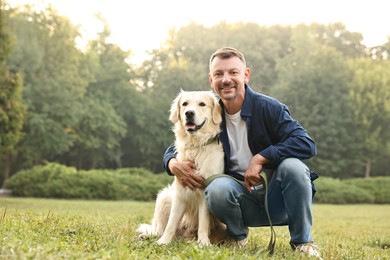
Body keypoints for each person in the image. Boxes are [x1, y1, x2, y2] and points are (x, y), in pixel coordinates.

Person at [163, 47, 321, 258]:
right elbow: (185, 141)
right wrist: (172, 163)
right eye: (219, 74)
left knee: (294, 167)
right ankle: (238, 238)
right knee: (217, 186)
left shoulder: (269, 108)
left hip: (277, 201)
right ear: (212, 80)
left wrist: (261, 157)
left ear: (246, 74)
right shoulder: (210, 111)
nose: (226, 79)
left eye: (233, 72)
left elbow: (305, 143)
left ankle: (303, 243)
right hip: (239, 201)